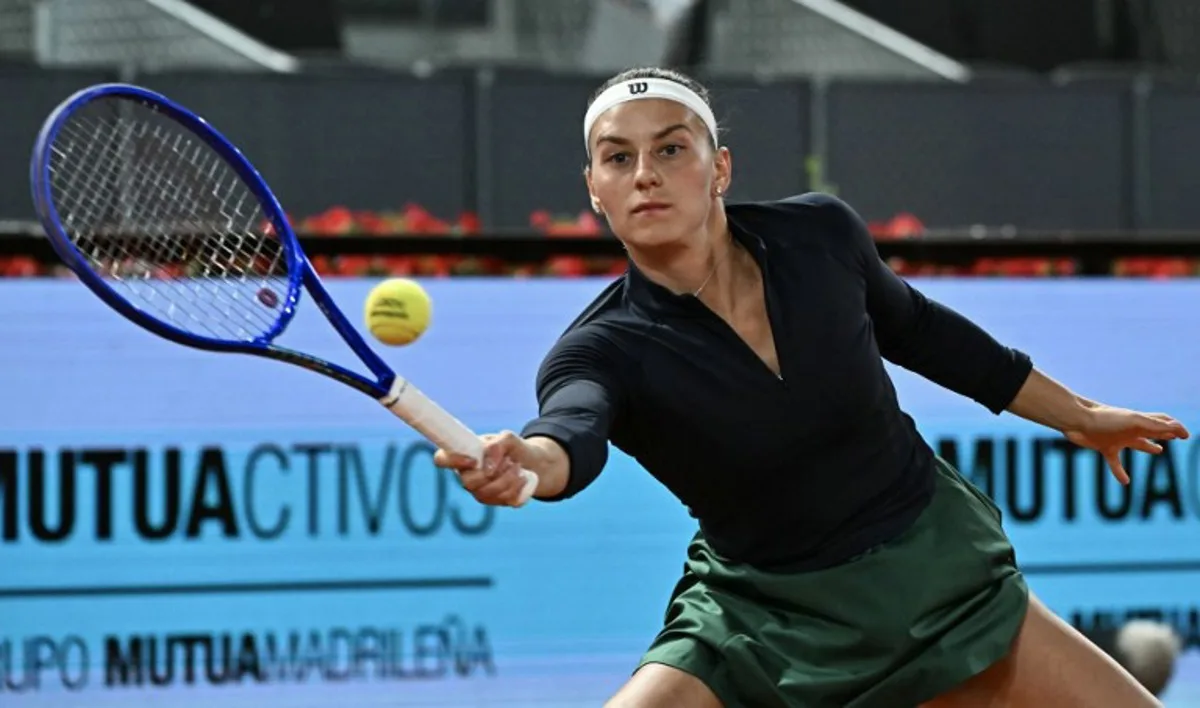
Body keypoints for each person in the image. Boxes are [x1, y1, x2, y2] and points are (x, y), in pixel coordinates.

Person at [433, 66, 1190, 707]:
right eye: (617, 159)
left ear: (719, 167)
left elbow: (923, 332)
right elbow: (572, 428)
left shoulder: (819, 238)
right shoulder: (600, 348)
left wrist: (1083, 416)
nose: (645, 175)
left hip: (934, 577)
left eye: (670, 149)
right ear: (594, 189)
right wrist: (528, 462)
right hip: (762, 616)